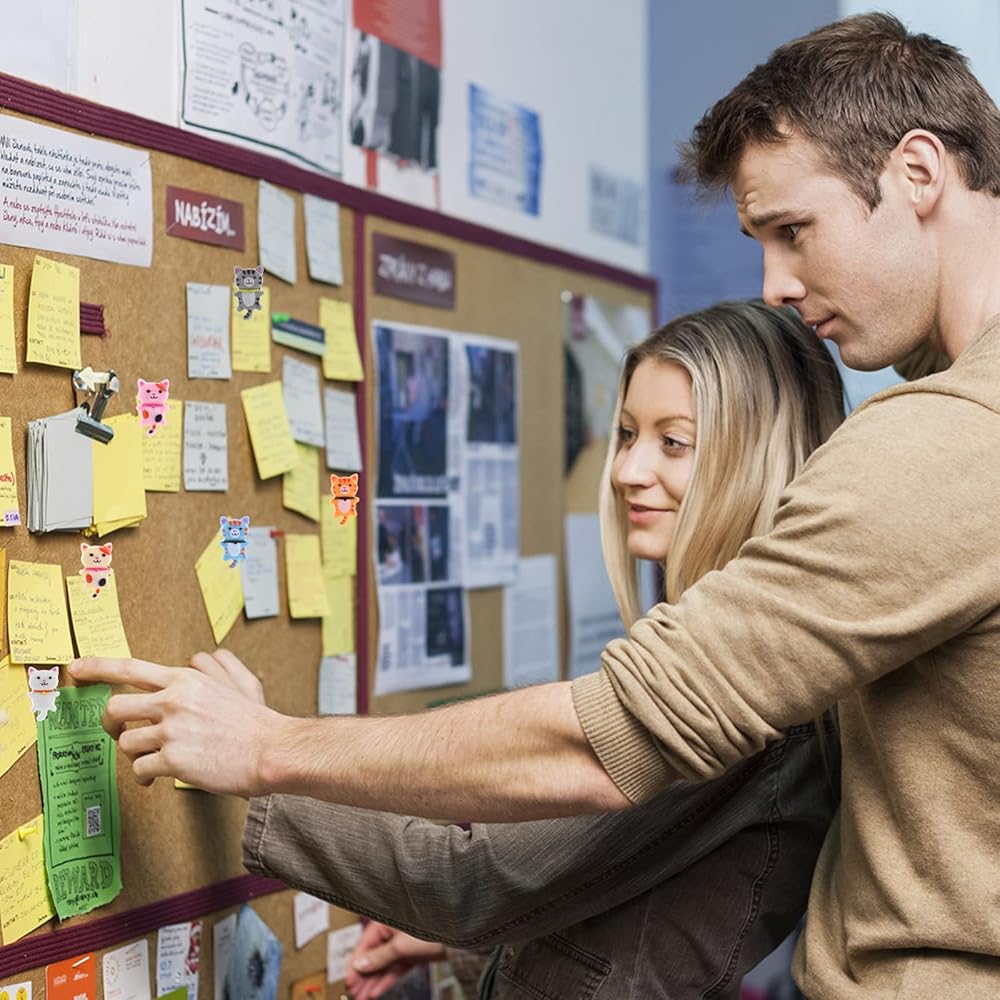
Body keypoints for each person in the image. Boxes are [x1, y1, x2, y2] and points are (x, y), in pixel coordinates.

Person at [72, 13, 1000, 997]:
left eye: (793, 231)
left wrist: (269, 748)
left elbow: (610, 739)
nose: (775, 283)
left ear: (917, 171)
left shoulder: (949, 441)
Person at [240, 302, 845, 999]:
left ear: (757, 460)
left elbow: (468, 878)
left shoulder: (740, 686)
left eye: (673, 442)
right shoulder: (732, 662)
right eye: (626, 434)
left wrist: (253, 764)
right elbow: (636, 919)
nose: (627, 469)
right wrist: (470, 949)